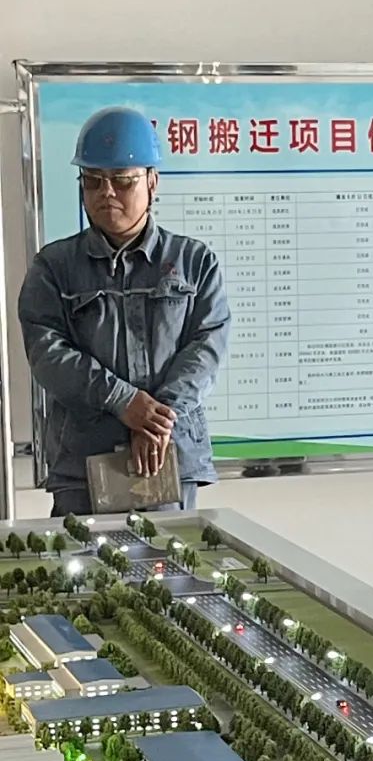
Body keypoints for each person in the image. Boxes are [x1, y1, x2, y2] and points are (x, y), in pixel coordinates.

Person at [18, 107, 230, 517]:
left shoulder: (194, 262)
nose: (107, 193)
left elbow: (207, 348)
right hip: (83, 464)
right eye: (93, 181)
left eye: (122, 180)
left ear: (152, 181)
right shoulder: (53, 268)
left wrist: (155, 419)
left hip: (168, 457)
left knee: (172, 558)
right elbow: (46, 353)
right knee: (82, 560)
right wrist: (122, 401)